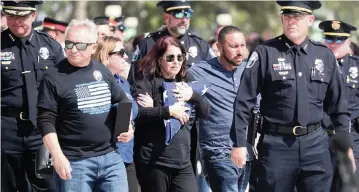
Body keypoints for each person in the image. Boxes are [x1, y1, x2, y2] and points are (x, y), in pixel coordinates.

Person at [230, 1, 355, 192]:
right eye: (287, 16)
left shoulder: (324, 56)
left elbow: (338, 107)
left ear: (310, 20)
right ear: (281, 19)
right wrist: (239, 143)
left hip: (316, 145)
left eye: (297, 17)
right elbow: (243, 102)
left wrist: (347, 147)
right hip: (276, 146)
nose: (291, 22)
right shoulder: (265, 53)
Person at [37, 19, 132, 192]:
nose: (73, 50)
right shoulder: (53, 77)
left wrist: (128, 126)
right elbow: (45, 120)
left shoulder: (102, 71)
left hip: (110, 158)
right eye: (69, 44)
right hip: (75, 161)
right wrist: (58, 156)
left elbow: (121, 100)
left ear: (93, 47)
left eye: (80, 45)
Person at [1, 1, 65, 191]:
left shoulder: (50, 46)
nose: (17, 22)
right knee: (9, 185)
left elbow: (64, 87)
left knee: (45, 185)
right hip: (6, 130)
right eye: (11, 16)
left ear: (33, 16)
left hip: (42, 130)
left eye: (22, 17)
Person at [133, 35, 210, 192]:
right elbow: (139, 113)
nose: (176, 62)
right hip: (155, 162)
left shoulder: (187, 78)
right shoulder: (147, 80)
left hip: (184, 162)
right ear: (159, 59)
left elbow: (207, 111)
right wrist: (168, 111)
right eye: (170, 57)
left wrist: (193, 96)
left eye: (180, 57)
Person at [189, 26, 252, 192]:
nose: (240, 51)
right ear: (219, 47)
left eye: (243, 45)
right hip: (217, 152)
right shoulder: (200, 71)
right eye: (234, 46)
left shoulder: (249, 71)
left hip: (246, 151)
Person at [129, 0, 215, 85]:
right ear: (166, 17)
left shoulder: (200, 45)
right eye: (179, 15)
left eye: (187, 14)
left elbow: (213, 77)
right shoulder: (148, 44)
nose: (184, 20)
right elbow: (134, 78)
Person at [93, 35, 139, 192]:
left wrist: (131, 126)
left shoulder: (123, 82)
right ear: (106, 55)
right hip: (105, 158)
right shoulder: (95, 84)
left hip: (126, 156)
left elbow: (129, 114)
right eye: (120, 53)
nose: (125, 56)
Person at [319, 20, 359, 189]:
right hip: (318, 141)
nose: (334, 44)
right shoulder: (313, 65)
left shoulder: (356, 66)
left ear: (348, 42)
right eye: (329, 39)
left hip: (352, 141)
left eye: (339, 40)